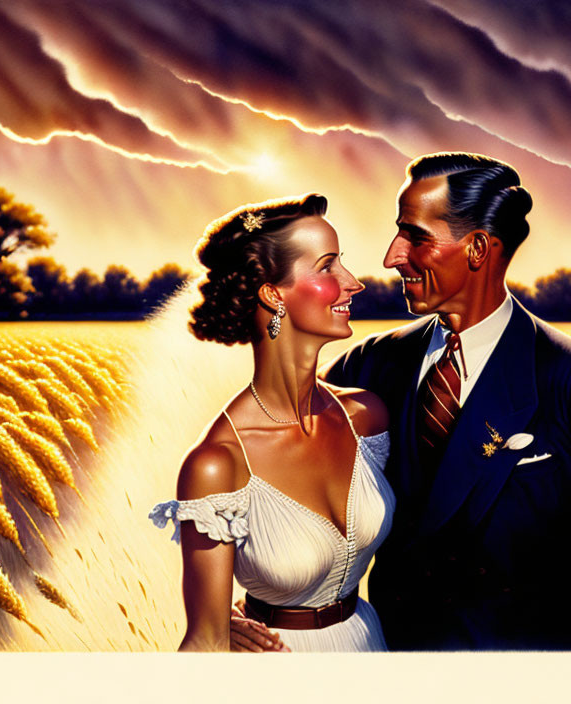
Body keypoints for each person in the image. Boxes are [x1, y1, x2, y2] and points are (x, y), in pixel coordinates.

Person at [233, 152, 571, 651]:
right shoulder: (368, 368)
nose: (392, 256)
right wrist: (232, 614)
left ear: (478, 247)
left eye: (415, 236)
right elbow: (270, 506)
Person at [149, 193, 395, 651]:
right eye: (327, 267)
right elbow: (204, 644)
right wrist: (221, 627)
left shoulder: (365, 417)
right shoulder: (218, 464)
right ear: (272, 293)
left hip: (368, 648)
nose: (353, 283)